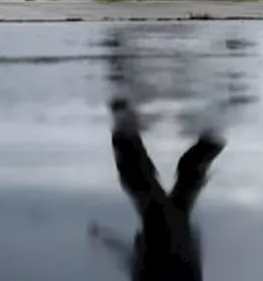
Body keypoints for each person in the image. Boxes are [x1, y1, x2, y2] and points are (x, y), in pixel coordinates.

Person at [89, 97, 225, 281]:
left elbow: (128, 260)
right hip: (165, 247)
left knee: (181, 188)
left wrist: (107, 241)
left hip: (169, 246)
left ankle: (216, 130)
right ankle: (124, 123)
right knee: (143, 185)